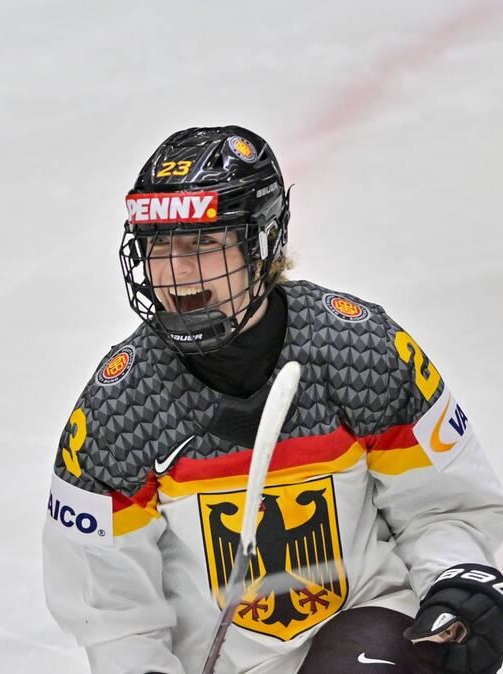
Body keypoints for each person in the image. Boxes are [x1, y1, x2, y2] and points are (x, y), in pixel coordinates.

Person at [42, 126, 503, 673]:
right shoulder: (121, 409)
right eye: (159, 245)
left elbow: (443, 508)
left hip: (363, 631)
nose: (176, 271)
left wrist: (455, 580)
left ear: (261, 245)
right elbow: (114, 614)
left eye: (203, 244)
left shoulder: (359, 351)